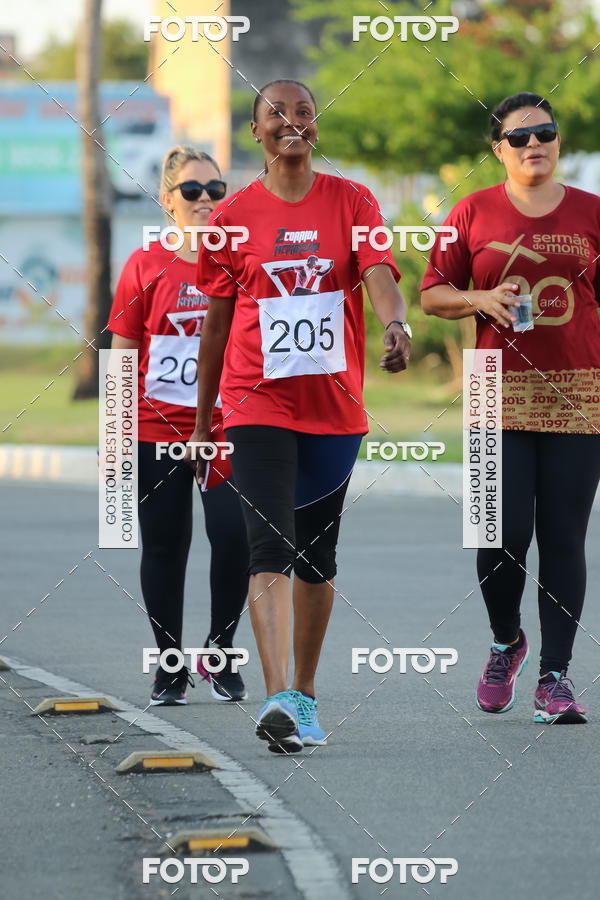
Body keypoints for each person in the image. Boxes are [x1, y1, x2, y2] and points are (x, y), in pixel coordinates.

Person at [186, 79, 411, 753]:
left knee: (317, 555)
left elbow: (377, 272)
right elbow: (215, 326)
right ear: (255, 131)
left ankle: (305, 696)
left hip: (334, 407)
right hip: (258, 400)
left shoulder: (353, 201)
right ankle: (277, 695)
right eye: (276, 114)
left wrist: (395, 323)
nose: (292, 122)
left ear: (316, 125)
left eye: (303, 113)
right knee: (268, 548)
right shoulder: (231, 219)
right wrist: (204, 421)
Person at [421, 93, 600, 724]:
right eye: (521, 137)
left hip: (578, 394)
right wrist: (479, 297)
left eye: (546, 133)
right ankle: (506, 641)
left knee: (563, 539)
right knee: (497, 538)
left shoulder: (591, 213)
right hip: (493, 389)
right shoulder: (471, 212)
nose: (535, 145)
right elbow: (432, 295)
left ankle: (555, 678)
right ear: (498, 149)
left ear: (559, 141)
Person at [108, 145, 250, 706]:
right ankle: (169, 664)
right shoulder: (145, 264)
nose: (205, 201)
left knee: (235, 537)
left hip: (224, 426)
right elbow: (122, 353)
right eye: (192, 191)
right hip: (154, 427)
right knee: (166, 544)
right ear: (168, 201)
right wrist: (115, 436)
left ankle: (218, 654)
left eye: (215, 190)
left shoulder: (239, 260)